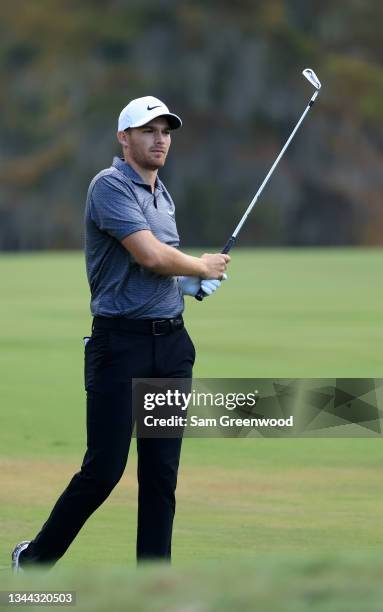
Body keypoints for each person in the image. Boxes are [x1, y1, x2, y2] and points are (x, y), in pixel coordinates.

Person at [12, 95, 230, 571]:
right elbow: (150, 255)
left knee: (160, 475)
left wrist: (191, 283)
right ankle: (34, 560)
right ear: (124, 137)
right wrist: (200, 264)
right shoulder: (108, 187)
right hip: (120, 347)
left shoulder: (163, 195)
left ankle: (152, 584)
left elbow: (161, 268)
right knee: (104, 470)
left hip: (171, 346)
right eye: (149, 130)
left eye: (167, 131)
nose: (160, 139)